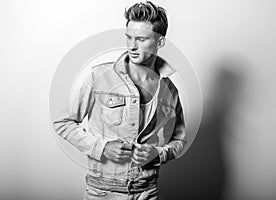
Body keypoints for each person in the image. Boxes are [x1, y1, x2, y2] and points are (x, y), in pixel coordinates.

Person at [54, 1, 187, 199]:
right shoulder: (98, 76)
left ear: (159, 42)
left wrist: (158, 154)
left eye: (141, 39)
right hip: (103, 191)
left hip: (147, 191)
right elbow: (63, 122)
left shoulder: (169, 90)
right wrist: (102, 148)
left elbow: (179, 140)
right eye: (129, 37)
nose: (132, 46)